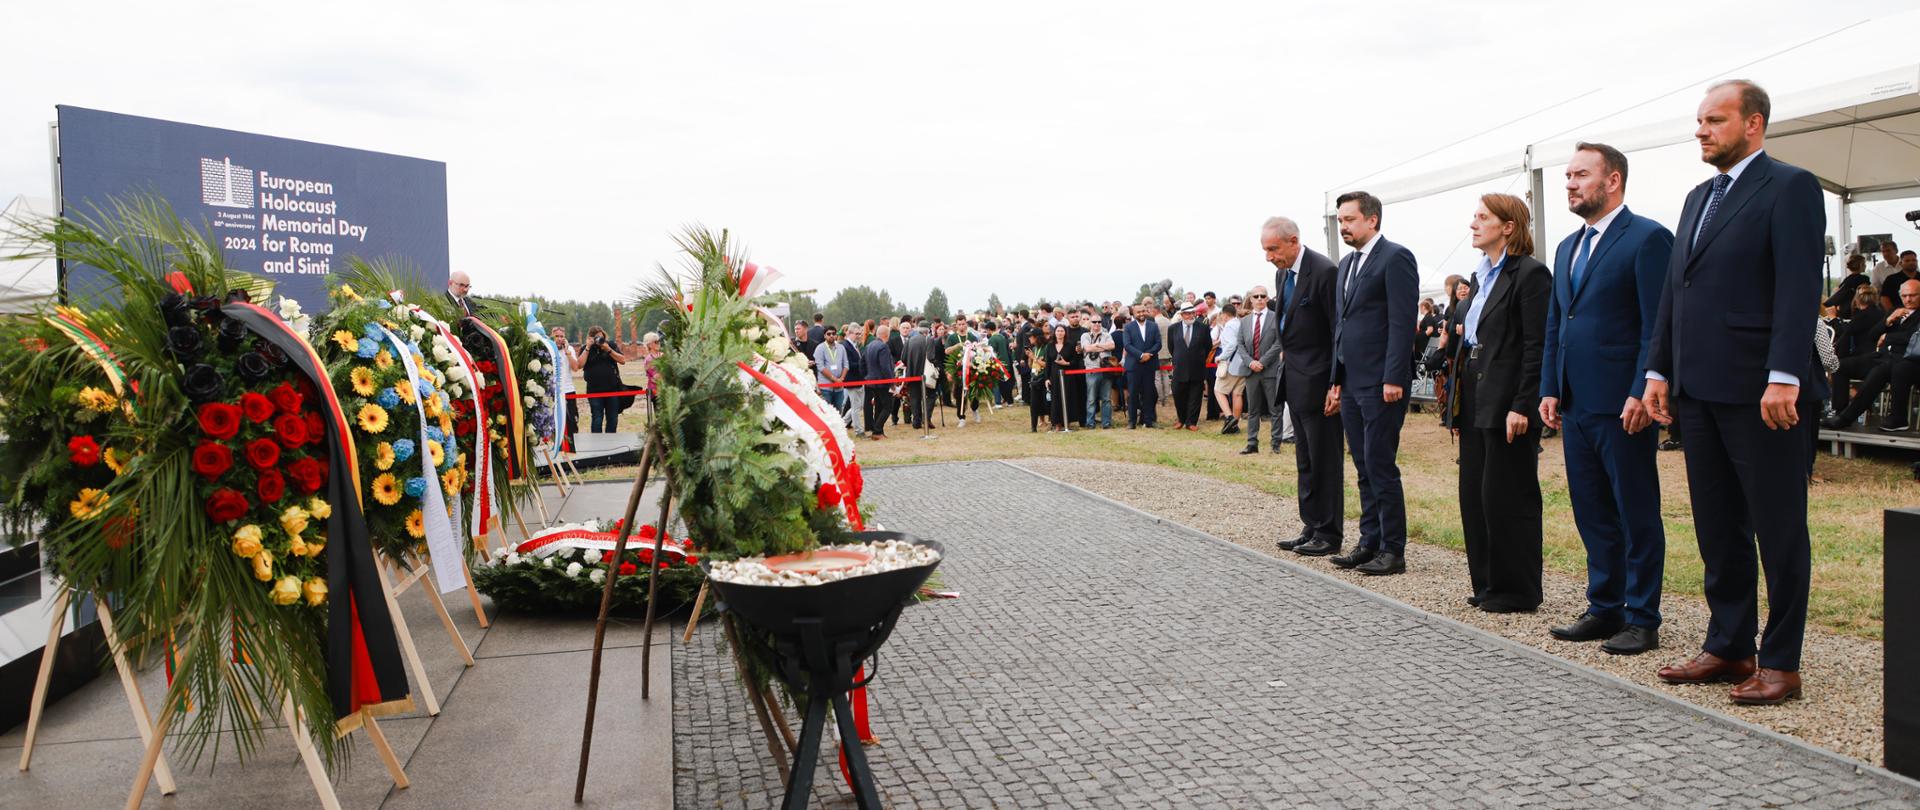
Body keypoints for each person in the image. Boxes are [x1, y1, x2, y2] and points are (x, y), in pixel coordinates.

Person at [1643, 80, 1823, 705]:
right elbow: (1676, 290)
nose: (1701, 130)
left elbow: (1799, 285)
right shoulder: (1698, 197)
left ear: (1753, 124)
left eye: (1714, 120)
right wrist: (1658, 370)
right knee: (1718, 525)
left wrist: (1784, 374)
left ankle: (1781, 661)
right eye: (1699, 120)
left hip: (1762, 391)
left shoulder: (1790, 186)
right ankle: (1729, 645)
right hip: (1698, 389)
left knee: (1778, 527)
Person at [1538, 142, 1674, 654]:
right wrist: (1550, 386)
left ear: (1612, 180)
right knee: (1591, 509)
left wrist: (1642, 388)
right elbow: (1557, 322)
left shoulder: (1647, 238)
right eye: (1567, 176)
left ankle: (1642, 617)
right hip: (1575, 402)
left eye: (1580, 175)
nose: (1569, 184)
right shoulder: (1566, 247)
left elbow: (1656, 326)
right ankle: (1604, 606)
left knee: (1635, 510)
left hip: (1624, 404)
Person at [1447, 193, 1552, 612]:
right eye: (1474, 216)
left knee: (1509, 494)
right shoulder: (1480, 276)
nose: (1473, 224)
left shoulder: (1530, 274)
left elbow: (1535, 345)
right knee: (1475, 493)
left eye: (1482, 217)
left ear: (1508, 227)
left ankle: (1518, 590)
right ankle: (1488, 582)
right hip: (1476, 392)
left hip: (1509, 397)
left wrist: (1523, 404)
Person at [1328, 190, 1420, 577]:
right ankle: (1369, 541)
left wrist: (1394, 376)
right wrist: (1336, 379)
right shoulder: (1347, 263)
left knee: (1380, 464)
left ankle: (1393, 549)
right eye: (1340, 221)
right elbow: (1342, 324)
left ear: (1372, 219)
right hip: (1351, 380)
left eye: (1349, 219)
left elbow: (1402, 321)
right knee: (1363, 464)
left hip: (1382, 381)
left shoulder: (1395, 257)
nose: (1343, 227)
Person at [1262, 217, 1344, 557]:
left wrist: (1336, 383)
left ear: (1293, 241)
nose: (1269, 257)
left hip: (1320, 381)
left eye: (1273, 249)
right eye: (1265, 250)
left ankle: (1329, 532)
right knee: (1305, 460)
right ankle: (1311, 525)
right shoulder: (1283, 274)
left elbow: (1337, 332)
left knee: (1325, 460)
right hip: (1294, 380)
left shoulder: (1324, 271)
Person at [1823, 279, 1920, 431]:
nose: (1908, 299)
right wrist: (1888, 321)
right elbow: (1873, 335)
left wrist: (1887, 337)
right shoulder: (1894, 311)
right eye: (1904, 296)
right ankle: (1839, 411)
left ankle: (1846, 418)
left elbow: (1912, 337)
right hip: (1883, 356)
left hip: (1907, 360)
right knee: (1839, 366)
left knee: (1880, 371)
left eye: (1913, 295)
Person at [1239, 285, 1283, 454]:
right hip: (1251, 372)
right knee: (1253, 410)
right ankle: (1252, 443)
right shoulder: (1245, 321)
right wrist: (1251, 362)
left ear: (1267, 299)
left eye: (1262, 296)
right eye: (1256, 296)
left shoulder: (1275, 317)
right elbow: (1240, 344)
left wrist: (1262, 362)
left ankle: (1276, 444)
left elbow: (1278, 343)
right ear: (1250, 299)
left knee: (1275, 409)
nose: (1259, 299)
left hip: (1270, 370)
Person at [1830, 286, 1888, 415]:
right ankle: (1859, 400)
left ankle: (1841, 409)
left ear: (1856, 300)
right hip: (1877, 358)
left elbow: (1845, 332)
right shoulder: (1881, 313)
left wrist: (1833, 318)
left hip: (1868, 360)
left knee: (1836, 366)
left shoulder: (1863, 315)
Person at [578, 326, 629, 433]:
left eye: (601, 337)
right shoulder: (586, 348)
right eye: (596, 338)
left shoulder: (610, 345)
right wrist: (587, 347)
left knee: (613, 418)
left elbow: (623, 360)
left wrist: (608, 350)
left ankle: (610, 441)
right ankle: (597, 442)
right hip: (594, 391)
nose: (599, 340)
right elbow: (579, 365)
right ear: (591, 338)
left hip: (612, 389)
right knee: (597, 418)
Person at [1167, 304, 1210, 430]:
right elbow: (1171, 347)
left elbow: (1208, 346)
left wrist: (1199, 357)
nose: (1191, 316)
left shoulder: (1203, 328)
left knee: (1195, 396)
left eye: (1193, 313)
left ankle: (1191, 422)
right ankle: (1181, 419)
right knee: (1178, 394)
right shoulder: (1173, 328)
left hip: (1197, 367)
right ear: (1182, 315)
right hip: (1179, 367)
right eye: (1188, 313)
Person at [1121, 300, 1162, 428]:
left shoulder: (1153, 326)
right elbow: (1127, 345)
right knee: (1133, 394)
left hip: (1149, 364)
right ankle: (1132, 422)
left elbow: (1158, 344)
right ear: (1133, 313)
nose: (1141, 314)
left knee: (1149, 394)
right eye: (1138, 312)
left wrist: (1148, 355)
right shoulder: (1128, 327)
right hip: (1134, 366)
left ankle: (1149, 421)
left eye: (1143, 311)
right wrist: (1140, 355)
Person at [1213, 302, 1246, 434]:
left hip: (1231, 364)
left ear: (1225, 315)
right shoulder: (1240, 323)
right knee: (1237, 394)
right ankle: (1234, 426)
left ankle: (1229, 417)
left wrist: (1220, 357)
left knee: (1218, 390)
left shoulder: (1229, 326)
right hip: (1243, 363)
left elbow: (1232, 345)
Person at [1079, 317, 1116, 428]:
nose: (1097, 323)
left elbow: (1112, 346)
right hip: (1091, 370)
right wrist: (1103, 347)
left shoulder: (1107, 335)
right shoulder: (1085, 336)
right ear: (1090, 323)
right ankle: (1090, 423)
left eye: (1099, 321)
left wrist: (1097, 346)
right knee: (1091, 399)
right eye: (1094, 322)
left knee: (1106, 398)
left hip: (1106, 371)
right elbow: (1087, 348)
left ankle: (1106, 422)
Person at [862, 323, 894, 440]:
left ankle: (878, 431)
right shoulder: (883, 347)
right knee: (888, 407)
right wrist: (891, 382)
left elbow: (862, 363)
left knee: (879, 407)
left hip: (871, 381)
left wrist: (866, 376)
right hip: (882, 382)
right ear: (887, 335)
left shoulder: (869, 345)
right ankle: (877, 429)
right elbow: (885, 367)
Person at [1044, 324, 1079, 432]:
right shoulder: (1050, 346)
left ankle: (1067, 423)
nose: (1060, 333)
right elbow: (1048, 364)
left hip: (1068, 375)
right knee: (1056, 400)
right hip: (1054, 376)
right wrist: (1047, 378)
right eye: (1058, 331)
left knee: (1068, 398)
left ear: (1065, 333)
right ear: (1054, 332)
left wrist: (1066, 363)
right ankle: (1057, 424)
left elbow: (1076, 361)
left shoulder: (1070, 345)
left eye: (1062, 331)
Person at [551, 327, 582, 445]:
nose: (559, 339)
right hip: (553, 391)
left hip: (568, 390)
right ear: (552, 337)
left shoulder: (569, 349)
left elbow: (575, 368)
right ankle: (558, 447)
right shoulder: (548, 349)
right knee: (555, 423)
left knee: (571, 422)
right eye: (556, 336)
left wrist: (567, 352)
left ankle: (572, 447)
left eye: (561, 336)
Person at [1825, 253, 1872, 317]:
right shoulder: (1864, 279)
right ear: (1860, 265)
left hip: (1843, 311)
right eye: (1864, 264)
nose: (1865, 266)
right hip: (1856, 310)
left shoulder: (1847, 280)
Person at [844, 324, 867, 433]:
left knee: (859, 406)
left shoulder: (855, 345)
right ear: (849, 333)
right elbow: (848, 364)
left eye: (860, 334)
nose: (859, 336)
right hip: (851, 379)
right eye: (857, 334)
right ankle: (859, 430)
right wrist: (863, 364)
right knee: (856, 407)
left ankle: (842, 422)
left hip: (859, 379)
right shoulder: (845, 346)